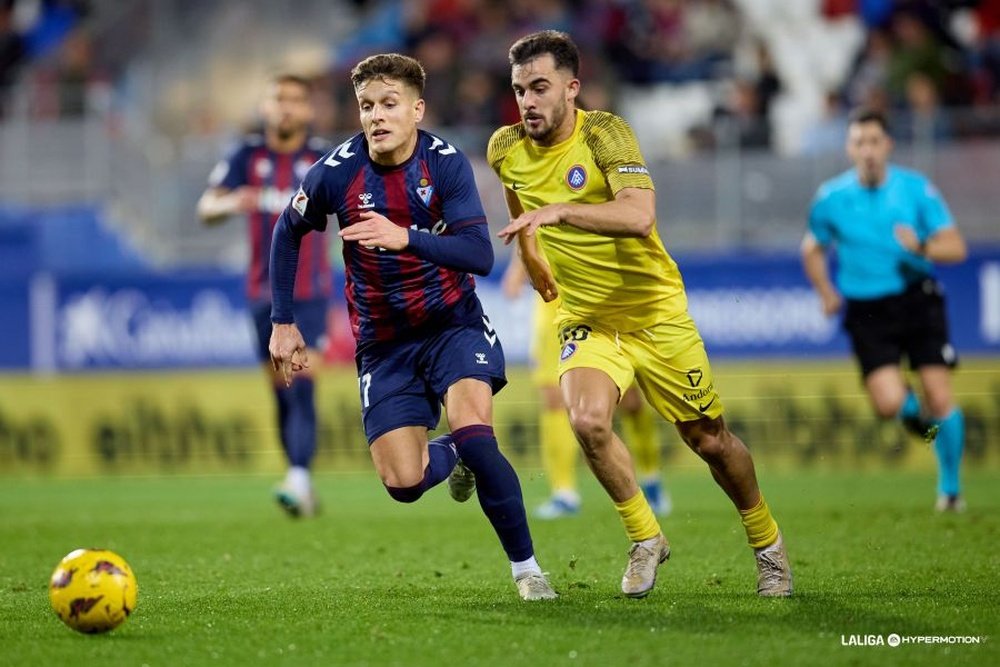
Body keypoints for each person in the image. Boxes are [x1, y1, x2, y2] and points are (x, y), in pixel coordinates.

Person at [489, 30, 792, 598]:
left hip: (655, 314)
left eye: (539, 87)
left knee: (709, 441)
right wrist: (531, 255)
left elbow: (638, 217)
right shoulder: (505, 147)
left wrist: (561, 212)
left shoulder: (605, 133)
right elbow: (519, 204)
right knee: (586, 421)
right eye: (518, 90)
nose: (527, 101)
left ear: (571, 88)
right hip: (586, 317)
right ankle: (645, 536)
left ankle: (767, 542)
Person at [268, 53, 557, 601]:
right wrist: (283, 321)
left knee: (479, 433)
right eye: (366, 106)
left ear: (417, 110)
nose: (376, 116)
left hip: (453, 325)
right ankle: (453, 455)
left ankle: (527, 571)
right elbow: (287, 232)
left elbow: (479, 254)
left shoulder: (444, 165)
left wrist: (406, 236)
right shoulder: (335, 172)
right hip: (383, 345)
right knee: (403, 484)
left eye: (389, 105)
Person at [802, 107, 968, 512]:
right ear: (849, 148)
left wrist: (922, 247)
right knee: (889, 405)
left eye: (875, 141)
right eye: (860, 142)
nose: (868, 150)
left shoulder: (916, 190)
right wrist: (825, 291)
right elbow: (812, 248)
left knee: (939, 394)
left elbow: (956, 247)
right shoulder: (831, 198)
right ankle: (923, 422)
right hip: (866, 309)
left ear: (888, 144)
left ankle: (950, 488)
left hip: (916, 299)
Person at [198, 74, 331, 518]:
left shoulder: (322, 158)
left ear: (308, 110)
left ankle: (298, 475)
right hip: (262, 295)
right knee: (281, 391)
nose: (287, 108)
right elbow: (206, 207)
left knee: (303, 384)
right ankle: (301, 480)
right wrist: (231, 202)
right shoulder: (246, 155)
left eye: (296, 99)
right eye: (279, 99)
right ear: (266, 107)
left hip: (311, 293)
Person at [501, 254, 672, 519]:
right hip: (553, 317)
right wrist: (520, 266)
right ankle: (564, 493)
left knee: (631, 401)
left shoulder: (590, 214)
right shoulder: (534, 216)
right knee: (553, 399)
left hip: (600, 308)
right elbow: (515, 275)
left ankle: (650, 478)